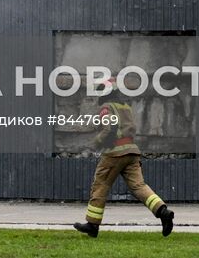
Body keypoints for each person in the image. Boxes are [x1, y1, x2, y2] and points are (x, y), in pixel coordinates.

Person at [73, 79, 174, 238]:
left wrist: (94, 144)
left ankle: (92, 225)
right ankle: (163, 211)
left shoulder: (106, 107)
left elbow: (109, 129)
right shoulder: (125, 107)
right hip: (132, 152)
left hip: (114, 153)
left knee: (100, 185)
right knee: (139, 186)